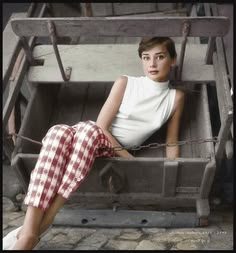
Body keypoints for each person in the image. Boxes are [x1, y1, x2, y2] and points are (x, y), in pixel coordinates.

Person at [3, 37, 185, 250]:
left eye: (160, 57)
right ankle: (32, 231)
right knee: (57, 132)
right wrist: (128, 156)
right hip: (90, 136)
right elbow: (101, 126)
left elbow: (172, 140)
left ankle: (31, 232)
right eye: (146, 58)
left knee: (86, 131)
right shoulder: (126, 83)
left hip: (106, 146)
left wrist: (173, 168)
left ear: (172, 60)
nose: (152, 64)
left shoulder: (175, 97)